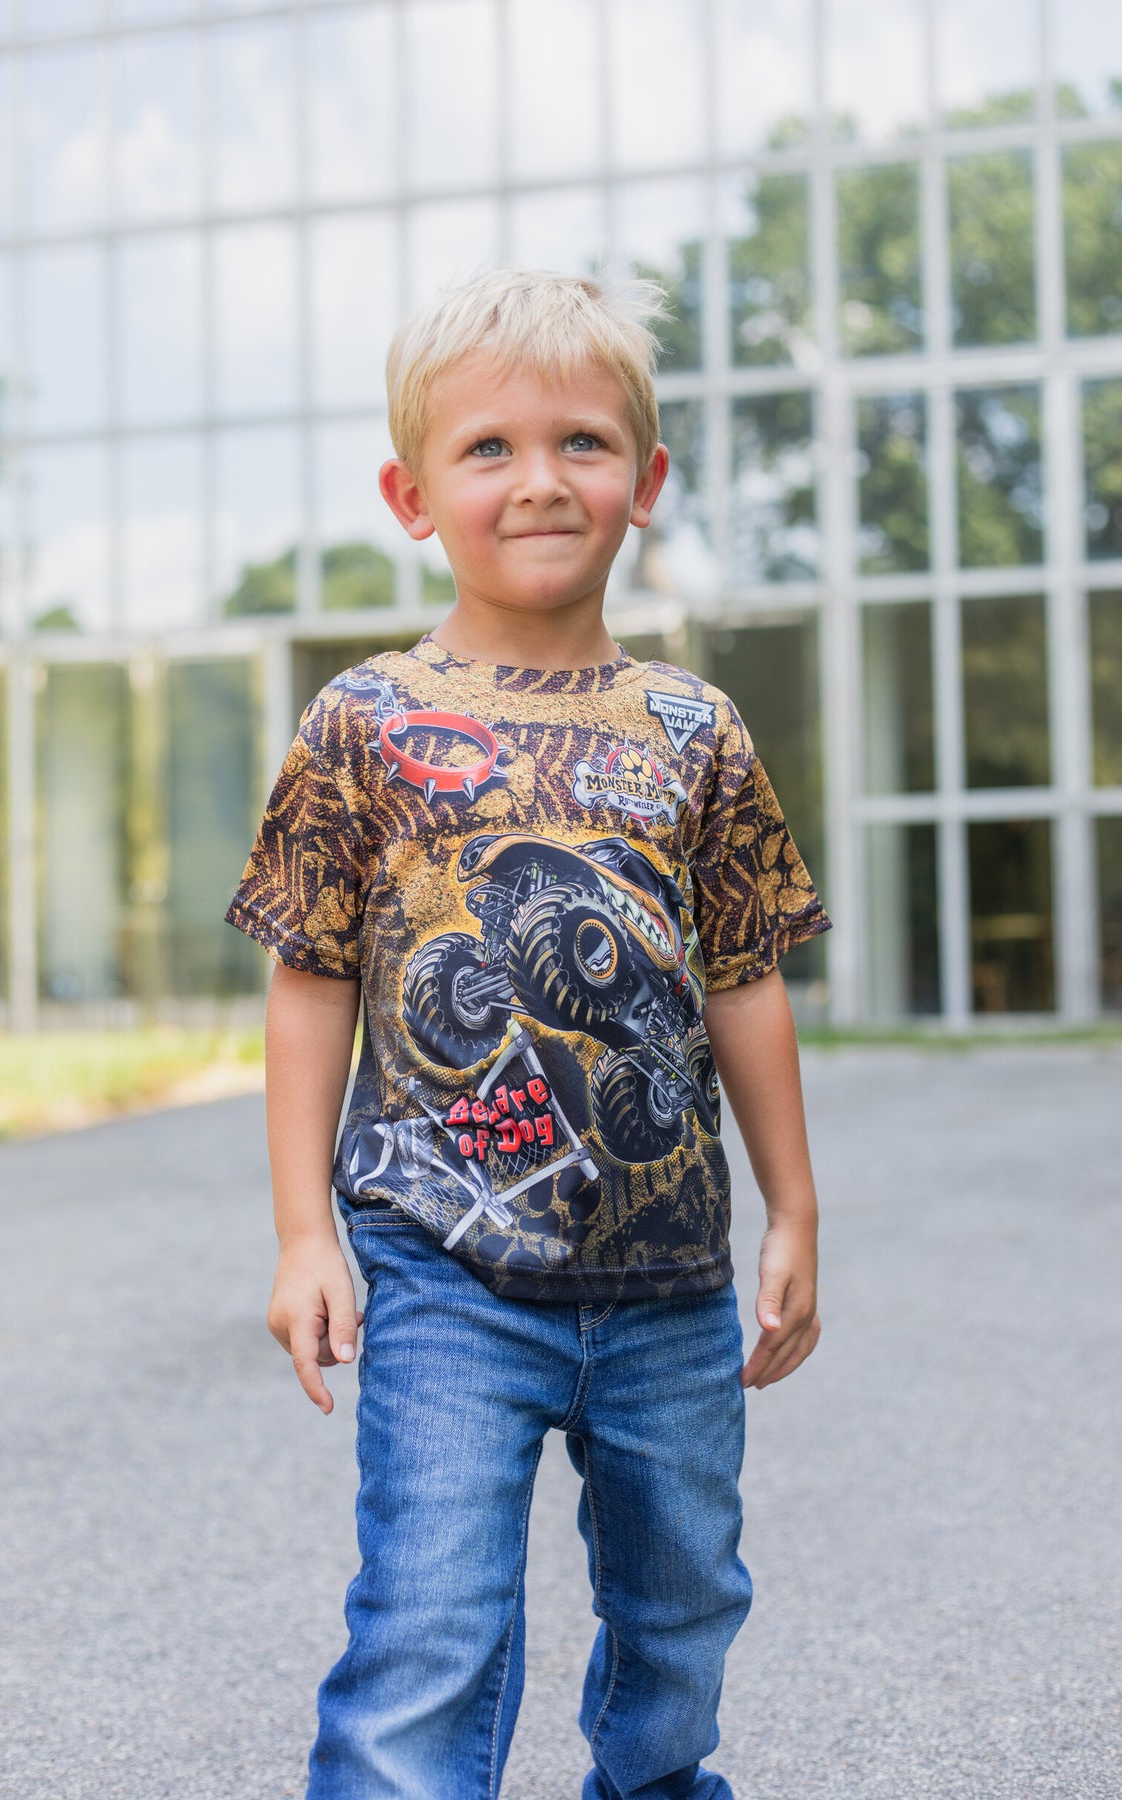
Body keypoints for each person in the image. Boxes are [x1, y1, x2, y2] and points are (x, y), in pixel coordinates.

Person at [225, 267, 831, 1800]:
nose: (541, 479)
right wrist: (303, 1233)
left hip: (671, 1280)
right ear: (412, 496)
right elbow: (309, 976)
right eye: (488, 447)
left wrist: (795, 1208)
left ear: (647, 481)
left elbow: (744, 973)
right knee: (429, 1624)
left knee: (684, 1611)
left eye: (582, 442)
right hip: (444, 1267)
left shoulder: (697, 729)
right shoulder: (363, 720)